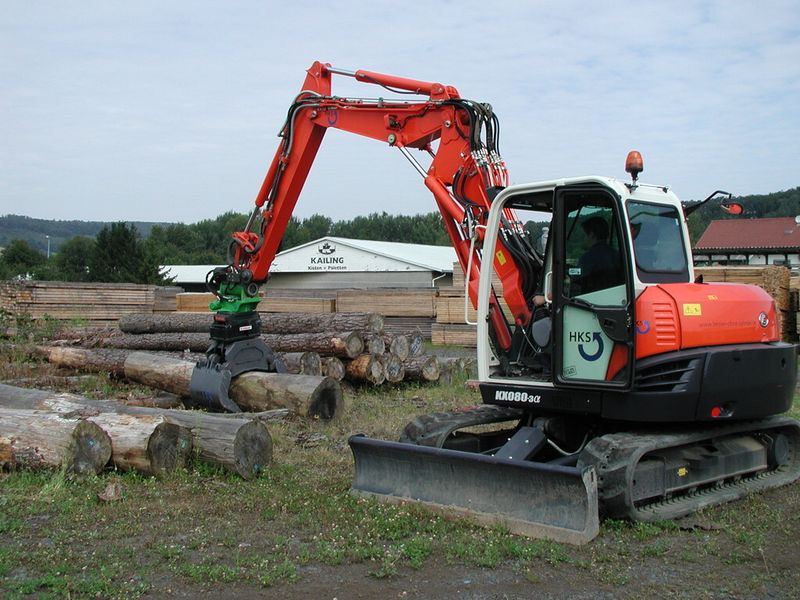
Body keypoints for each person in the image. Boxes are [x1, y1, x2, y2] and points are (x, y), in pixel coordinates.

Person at [573, 216, 619, 295]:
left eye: (583, 235)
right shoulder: (617, 255)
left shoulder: (587, 258)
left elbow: (576, 284)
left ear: (591, 235)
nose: (583, 239)